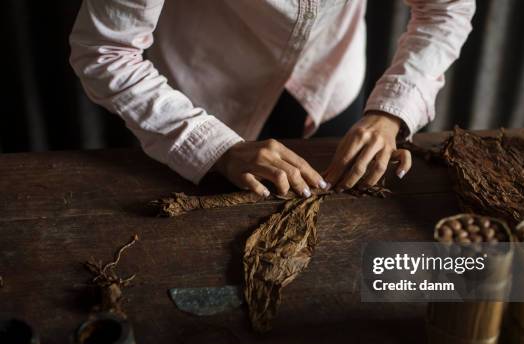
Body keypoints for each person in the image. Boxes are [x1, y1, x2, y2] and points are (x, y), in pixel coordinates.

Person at [70, 0, 475, 197]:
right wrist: (213, 148)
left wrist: (391, 112)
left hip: (329, 87)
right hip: (188, 99)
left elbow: (445, 9)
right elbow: (105, 49)